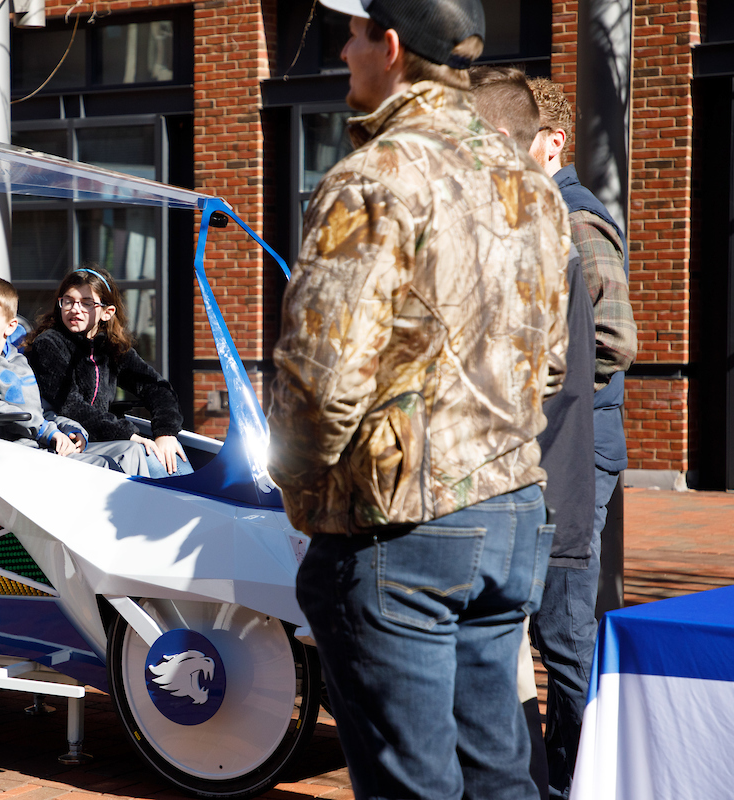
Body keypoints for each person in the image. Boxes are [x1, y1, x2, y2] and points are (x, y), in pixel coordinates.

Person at [266, 0, 571, 797]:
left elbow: (319, 380)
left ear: (391, 46)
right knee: (498, 772)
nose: (341, 49)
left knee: (413, 784)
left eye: (353, 33)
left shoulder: (376, 176)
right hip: (511, 512)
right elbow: (553, 361)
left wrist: (299, 492)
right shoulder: (530, 184)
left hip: (401, 526)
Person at [471, 64, 598, 800]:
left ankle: (570, 778)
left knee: (553, 647)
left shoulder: (551, 232)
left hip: (537, 485)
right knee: (526, 652)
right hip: (541, 482)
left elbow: (584, 362)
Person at [527, 75, 638, 800]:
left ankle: (582, 778)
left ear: (554, 141)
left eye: (512, 141)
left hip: (576, 442)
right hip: (562, 438)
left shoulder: (574, 222)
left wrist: (529, 394)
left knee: (564, 622)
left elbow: (612, 340)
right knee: (552, 617)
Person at [0, 276, 149, 475]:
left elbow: (40, 409)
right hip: (12, 452)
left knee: (131, 451)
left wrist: (70, 429)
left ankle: (143, 513)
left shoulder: (18, 360)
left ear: (10, 327)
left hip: (41, 444)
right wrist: (45, 431)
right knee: (104, 466)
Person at [24, 266, 192, 478]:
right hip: (69, 439)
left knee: (174, 461)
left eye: (87, 303)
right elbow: (70, 406)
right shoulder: (48, 344)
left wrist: (166, 432)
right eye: (68, 301)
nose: (75, 309)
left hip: (106, 439)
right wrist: (127, 434)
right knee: (153, 460)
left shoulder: (110, 347)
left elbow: (156, 387)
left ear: (107, 312)